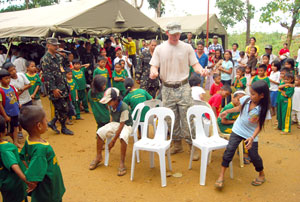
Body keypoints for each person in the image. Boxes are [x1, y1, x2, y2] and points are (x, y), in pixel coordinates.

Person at [149, 22, 206, 159]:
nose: (175, 36)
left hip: (183, 87)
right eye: (173, 33)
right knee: (170, 118)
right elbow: (154, 66)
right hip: (167, 88)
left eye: (178, 33)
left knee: (188, 117)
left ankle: (193, 146)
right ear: (167, 32)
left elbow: (195, 64)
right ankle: (177, 144)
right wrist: (153, 72)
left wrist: (201, 70)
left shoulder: (187, 47)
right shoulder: (160, 48)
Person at [215, 80, 270, 188]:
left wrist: (252, 137)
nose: (251, 96)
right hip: (238, 129)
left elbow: (259, 126)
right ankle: (221, 176)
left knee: (254, 156)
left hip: (251, 134)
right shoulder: (246, 100)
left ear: (262, 95)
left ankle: (261, 174)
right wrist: (228, 111)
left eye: (253, 94)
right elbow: (239, 108)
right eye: (250, 93)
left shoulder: (264, 109)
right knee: (229, 150)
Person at [19, 105, 66, 202]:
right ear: (39, 126)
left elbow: (22, 157)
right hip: (48, 190)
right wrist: (33, 182)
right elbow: (34, 175)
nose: (48, 121)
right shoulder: (41, 149)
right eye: (45, 120)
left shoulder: (29, 140)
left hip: (48, 187)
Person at [89, 88, 133, 176]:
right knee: (100, 131)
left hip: (126, 125)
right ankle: (98, 156)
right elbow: (112, 118)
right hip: (116, 123)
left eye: (109, 101)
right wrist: (109, 127)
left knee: (123, 137)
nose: (108, 103)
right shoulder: (111, 105)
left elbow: (122, 125)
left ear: (116, 100)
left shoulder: (124, 107)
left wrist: (113, 141)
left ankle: (122, 162)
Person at [41, 38, 73, 135]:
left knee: (63, 107)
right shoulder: (45, 59)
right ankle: (63, 127)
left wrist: (64, 55)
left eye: (57, 45)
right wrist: (53, 89)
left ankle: (52, 122)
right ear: (48, 46)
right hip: (55, 88)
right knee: (63, 108)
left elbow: (66, 64)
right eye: (54, 45)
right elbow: (47, 76)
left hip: (63, 85)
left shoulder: (58, 57)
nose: (57, 47)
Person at [0, 115, 35, 202]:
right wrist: (27, 181)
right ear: (4, 130)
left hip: (5, 184)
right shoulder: (5, 149)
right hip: (14, 185)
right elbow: (14, 165)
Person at [0, 69, 20, 147]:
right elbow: (0, 105)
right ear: (1, 80)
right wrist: (5, 116)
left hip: (15, 111)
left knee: (15, 127)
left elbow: (16, 96)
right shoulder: (1, 90)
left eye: (9, 78)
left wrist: (18, 104)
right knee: (6, 129)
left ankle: (15, 142)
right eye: (6, 78)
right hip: (7, 113)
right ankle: (3, 141)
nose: (8, 80)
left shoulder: (11, 87)